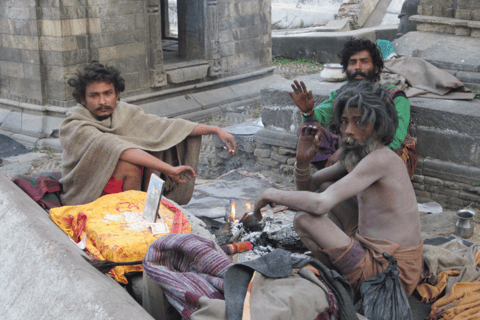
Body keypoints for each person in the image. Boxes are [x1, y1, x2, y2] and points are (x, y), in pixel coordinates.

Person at [254, 81, 423, 297]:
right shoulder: (357, 154)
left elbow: (319, 203)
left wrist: (270, 194)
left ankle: (339, 281)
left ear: (379, 124)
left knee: (303, 220)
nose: (349, 131)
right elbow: (312, 186)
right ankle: (342, 274)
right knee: (326, 185)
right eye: (344, 122)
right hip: (372, 249)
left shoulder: (381, 158)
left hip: (392, 274)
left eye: (359, 122)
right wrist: (303, 163)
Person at [60, 61, 236, 206]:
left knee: (155, 144)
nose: (103, 101)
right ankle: (132, 214)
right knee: (129, 165)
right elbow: (118, 148)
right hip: (88, 190)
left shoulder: (125, 112)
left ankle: (149, 207)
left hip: (127, 185)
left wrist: (215, 129)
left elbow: (165, 127)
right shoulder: (75, 124)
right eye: (94, 96)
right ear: (83, 99)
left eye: (108, 93)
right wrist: (169, 169)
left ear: (117, 94)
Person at [289, 38, 417, 177]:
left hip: (383, 154)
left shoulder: (396, 97)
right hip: (350, 150)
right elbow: (320, 116)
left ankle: (343, 179)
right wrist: (308, 112)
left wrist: (344, 151)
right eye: (352, 62)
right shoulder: (342, 94)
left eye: (364, 61)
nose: (358, 67)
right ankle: (337, 177)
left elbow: (395, 138)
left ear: (376, 68)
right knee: (307, 129)